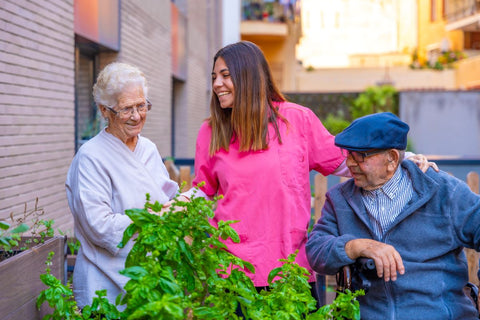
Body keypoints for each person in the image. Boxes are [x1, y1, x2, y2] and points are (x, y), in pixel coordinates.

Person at [178, 41, 434, 301]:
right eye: (214, 77)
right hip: (229, 272)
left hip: (290, 269)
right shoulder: (210, 131)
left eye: (225, 75)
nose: (217, 84)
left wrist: (403, 159)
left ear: (248, 76)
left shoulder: (296, 120)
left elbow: (346, 160)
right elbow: (203, 191)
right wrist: (175, 205)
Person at [306, 112, 480, 319]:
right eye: (348, 153)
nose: (350, 163)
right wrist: (356, 246)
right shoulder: (339, 199)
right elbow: (315, 250)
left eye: (360, 156)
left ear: (392, 159)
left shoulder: (444, 192)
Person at [65, 62, 179, 309]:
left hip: (150, 283)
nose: (137, 116)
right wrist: (155, 216)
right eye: (127, 109)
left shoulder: (148, 148)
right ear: (104, 110)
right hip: (104, 286)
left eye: (141, 106)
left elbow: (165, 196)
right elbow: (100, 226)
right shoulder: (90, 157)